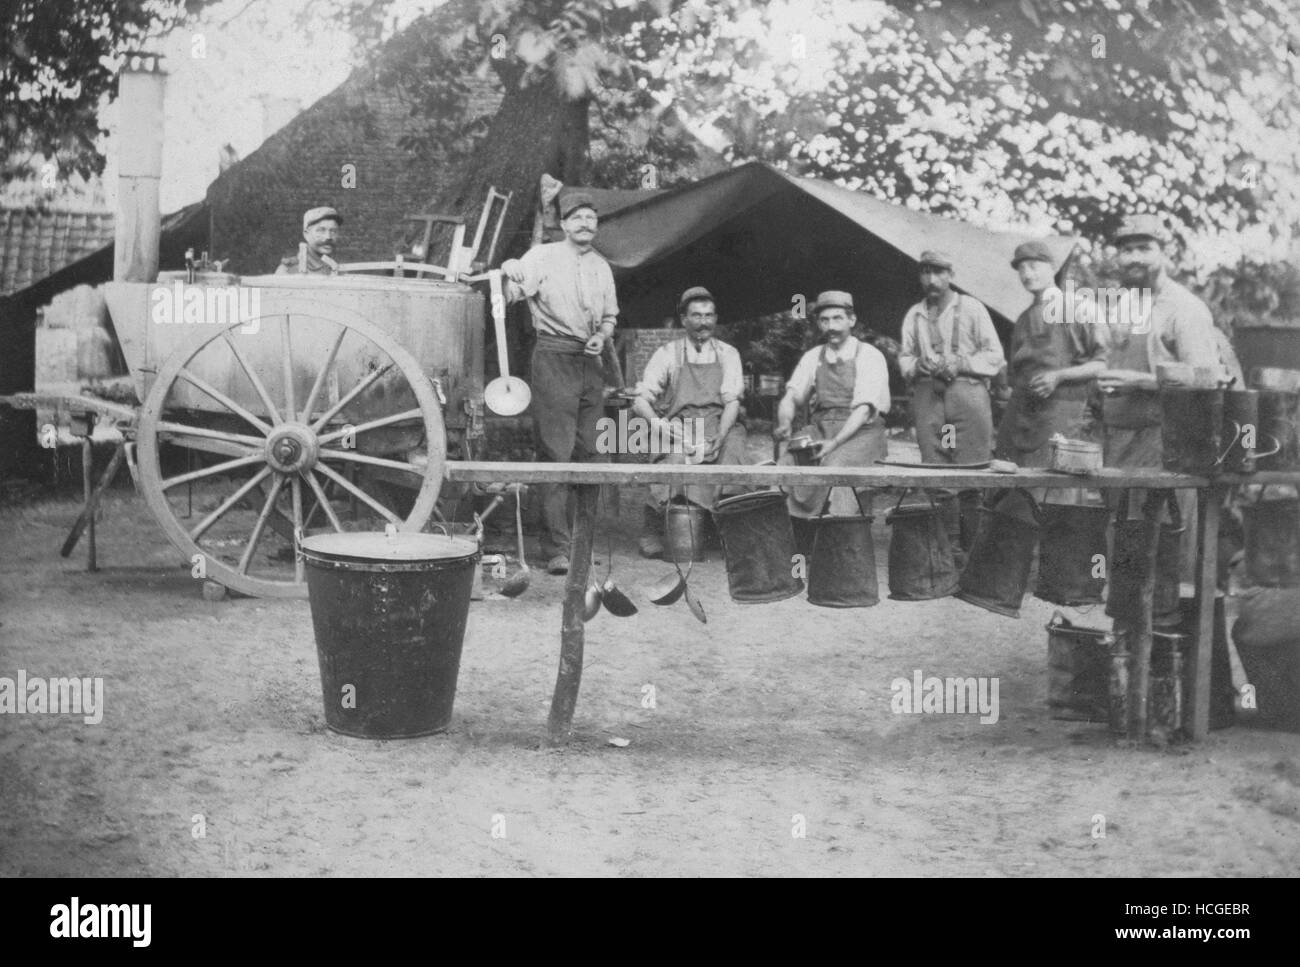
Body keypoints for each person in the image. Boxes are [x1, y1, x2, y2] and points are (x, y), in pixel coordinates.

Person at [1097, 213, 1220, 602]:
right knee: (1123, 550)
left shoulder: (1185, 308)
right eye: (1126, 249)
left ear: (1163, 253)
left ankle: (1166, 652)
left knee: (1162, 549)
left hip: (1166, 447)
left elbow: (1208, 379)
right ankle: (1123, 647)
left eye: (1144, 248)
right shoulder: (1121, 306)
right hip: (1119, 446)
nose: (1134, 257)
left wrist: (1141, 383)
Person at [501, 192, 619, 575]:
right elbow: (511, 293)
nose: (585, 224)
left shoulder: (602, 266)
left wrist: (603, 333)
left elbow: (610, 316)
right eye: (577, 218)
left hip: (590, 362)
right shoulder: (542, 256)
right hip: (552, 358)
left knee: (592, 453)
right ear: (564, 224)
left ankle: (581, 544)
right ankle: (556, 548)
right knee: (557, 452)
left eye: (591, 218)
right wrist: (510, 269)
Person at [898, 251, 1006, 553]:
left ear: (951, 275)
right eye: (926, 273)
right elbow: (905, 356)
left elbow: (995, 355)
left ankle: (975, 555)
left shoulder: (972, 308)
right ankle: (947, 553)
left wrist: (961, 362)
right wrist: (917, 365)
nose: (932, 280)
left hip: (967, 393)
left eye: (939, 272)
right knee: (936, 472)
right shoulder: (914, 314)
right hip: (929, 396)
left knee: (973, 471)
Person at [631, 287, 748, 558]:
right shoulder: (667, 353)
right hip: (681, 424)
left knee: (731, 455)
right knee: (675, 459)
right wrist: (660, 425)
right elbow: (640, 401)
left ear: (715, 319)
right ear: (684, 319)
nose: (703, 322)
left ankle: (718, 528)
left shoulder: (728, 353)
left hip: (720, 422)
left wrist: (720, 434)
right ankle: (655, 526)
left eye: (708, 316)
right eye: (695, 316)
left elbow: (732, 402)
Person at [995, 240, 1108, 504]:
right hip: (1022, 416)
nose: (1027, 274)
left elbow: (1102, 363)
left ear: (1052, 268)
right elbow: (1015, 373)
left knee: (1056, 493)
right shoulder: (1023, 318)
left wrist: (1058, 376)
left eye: (1034, 266)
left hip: (1061, 415)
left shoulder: (1079, 308)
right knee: (1015, 496)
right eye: (1021, 269)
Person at [774, 291, 891, 518]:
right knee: (787, 461)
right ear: (819, 323)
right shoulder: (813, 356)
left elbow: (864, 409)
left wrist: (835, 442)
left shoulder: (869, 355)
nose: (831, 327)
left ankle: (837, 533)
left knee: (834, 464)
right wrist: (785, 422)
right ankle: (798, 535)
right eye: (825, 320)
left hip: (862, 433)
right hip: (821, 429)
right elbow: (792, 396)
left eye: (837, 318)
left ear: (852, 320)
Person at [276, 207, 342, 275]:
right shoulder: (290, 270)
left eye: (333, 231)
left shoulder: (335, 267)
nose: (328, 237)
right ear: (306, 234)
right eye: (321, 230)